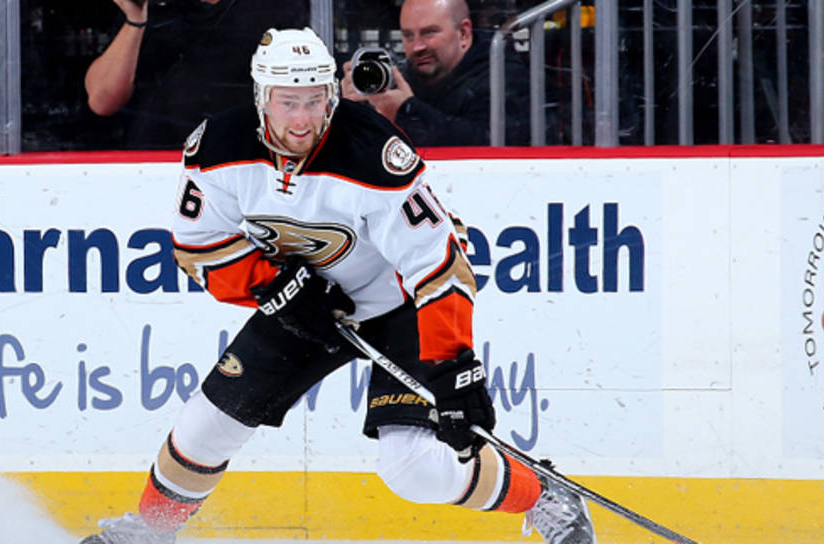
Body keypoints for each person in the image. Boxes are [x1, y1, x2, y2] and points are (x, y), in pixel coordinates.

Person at [78, 27, 595, 544]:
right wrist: (277, 288)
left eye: (315, 100)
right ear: (262, 98)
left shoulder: (374, 152)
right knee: (204, 426)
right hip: (303, 303)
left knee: (412, 468)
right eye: (288, 102)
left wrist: (451, 364)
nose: (303, 119)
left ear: (331, 95)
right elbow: (199, 246)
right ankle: (150, 532)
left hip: (399, 305)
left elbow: (438, 265)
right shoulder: (217, 147)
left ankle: (544, 494)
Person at [84, 0, 307, 149]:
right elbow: (102, 101)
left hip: (237, 167)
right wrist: (135, 20)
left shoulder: (276, 8)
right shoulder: (152, 7)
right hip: (152, 168)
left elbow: (300, 102)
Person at [340, 0, 531, 147]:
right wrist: (351, 111)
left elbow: (489, 142)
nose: (417, 47)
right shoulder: (401, 78)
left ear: (463, 33)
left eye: (429, 33)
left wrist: (406, 112)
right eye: (408, 35)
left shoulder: (502, 76)